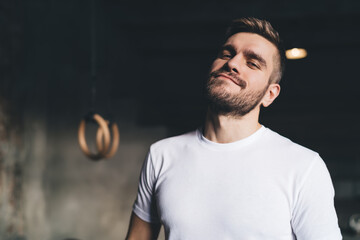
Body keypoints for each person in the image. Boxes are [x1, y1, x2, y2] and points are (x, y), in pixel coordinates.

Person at [125, 17, 342, 240]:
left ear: (270, 94)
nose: (232, 63)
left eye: (252, 63)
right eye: (227, 54)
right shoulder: (161, 155)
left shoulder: (304, 167)